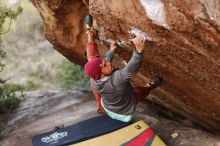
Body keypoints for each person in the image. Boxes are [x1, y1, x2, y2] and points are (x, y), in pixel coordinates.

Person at [84, 14, 162, 122]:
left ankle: (90, 33)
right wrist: (138, 51)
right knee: (138, 92)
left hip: (104, 104)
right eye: (105, 65)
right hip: (122, 110)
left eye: (106, 62)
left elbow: (101, 64)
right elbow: (129, 70)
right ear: (101, 75)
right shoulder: (116, 81)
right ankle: (149, 86)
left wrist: (111, 52)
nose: (109, 63)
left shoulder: (95, 78)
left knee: (92, 61)